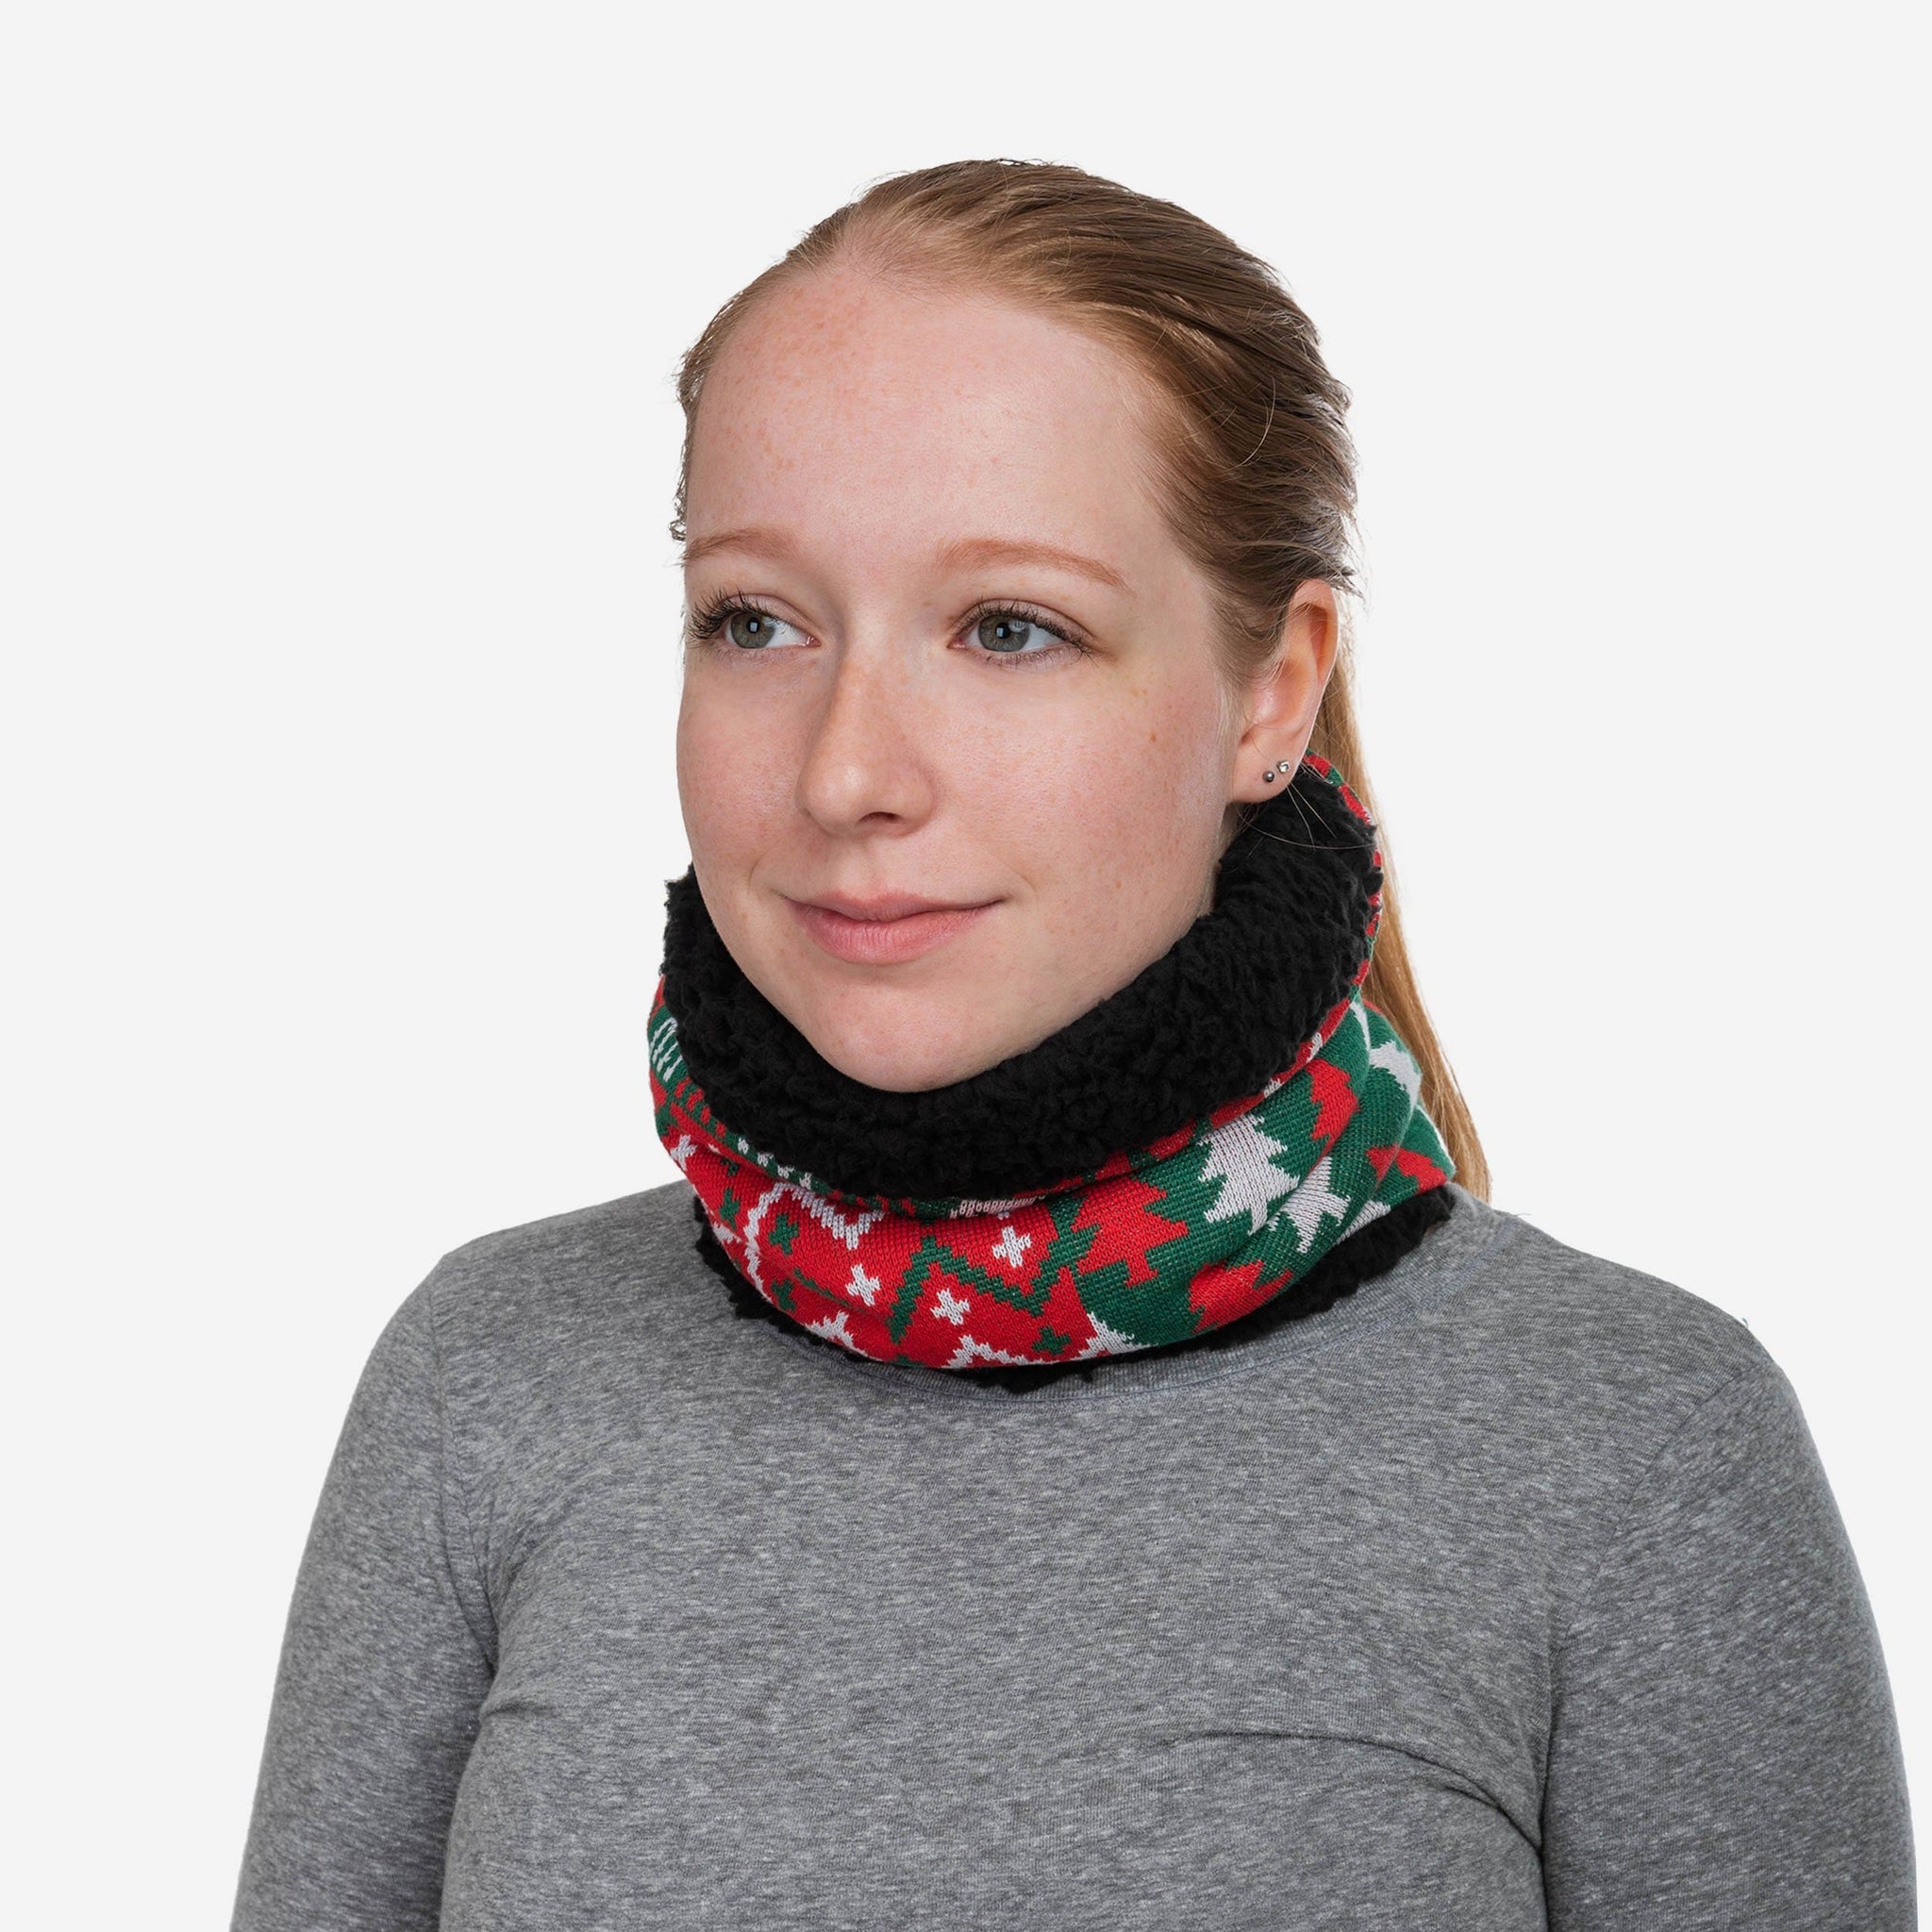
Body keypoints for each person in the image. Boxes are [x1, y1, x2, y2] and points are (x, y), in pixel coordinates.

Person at [231, 160, 1915, 1930]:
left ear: (1274, 690)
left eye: (1010, 629)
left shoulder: (1636, 1452)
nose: (846, 773)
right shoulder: (488, 1384)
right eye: (757, 621)